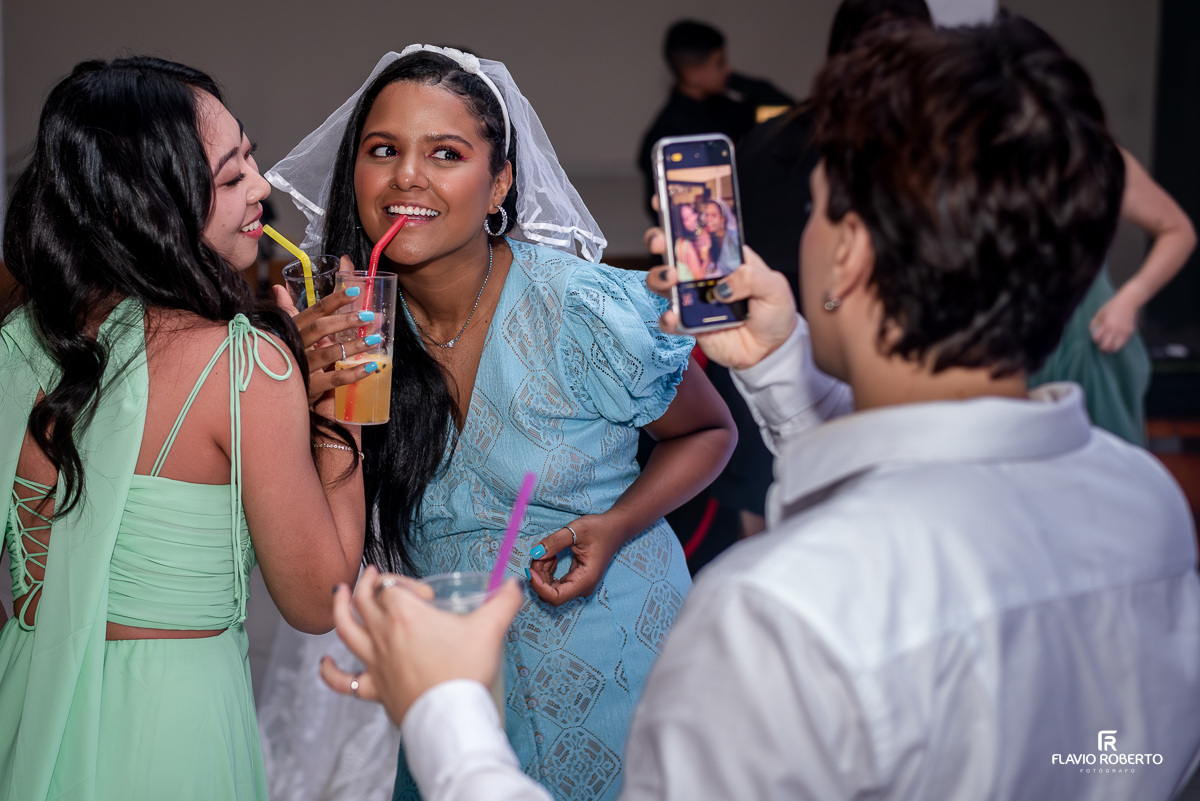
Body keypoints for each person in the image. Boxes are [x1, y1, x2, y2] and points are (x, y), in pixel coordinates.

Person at [321, 18, 1200, 801]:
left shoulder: (775, 615)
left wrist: (442, 714)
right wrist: (783, 367)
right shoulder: (1146, 503)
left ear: (846, 253)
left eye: (815, 208)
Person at [260, 46, 736, 801]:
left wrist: (614, 524)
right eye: (383, 150)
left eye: (445, 153)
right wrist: (328, 407)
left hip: (621, 659)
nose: (408, 175)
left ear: (500, 183)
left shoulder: (584, 308)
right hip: (463, 692)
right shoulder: (349, 331)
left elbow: (710, 433)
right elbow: (326, 583)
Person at [0, 57, 377, 800]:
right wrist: (336, 409)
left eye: (251, 159)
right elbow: (321, 598)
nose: (262, 188)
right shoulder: (247, 366)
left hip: (27, 700)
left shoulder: (17, 346)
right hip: (172, 728)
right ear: (142, 207)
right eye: (233, 177)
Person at [1030, 147, 1197, 445]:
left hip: (1088, 334)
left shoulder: (1099, 157)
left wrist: (1130, 297)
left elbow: (1177, 230)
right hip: (1008, 338)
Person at [637, 20, 794, 220]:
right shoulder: (666, 133)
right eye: (719, 63)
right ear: (691, 74)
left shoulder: (728, 109)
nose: (727, 69)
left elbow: (787, 110)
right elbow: (661, 212)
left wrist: (731, 79)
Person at [672, 203, 711, 280]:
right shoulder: (687, 246)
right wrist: (707, 249)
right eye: (687, 218)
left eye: (692, 213)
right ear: (680, 224)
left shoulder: (680, 241)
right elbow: (700, 277)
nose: (693, 218)